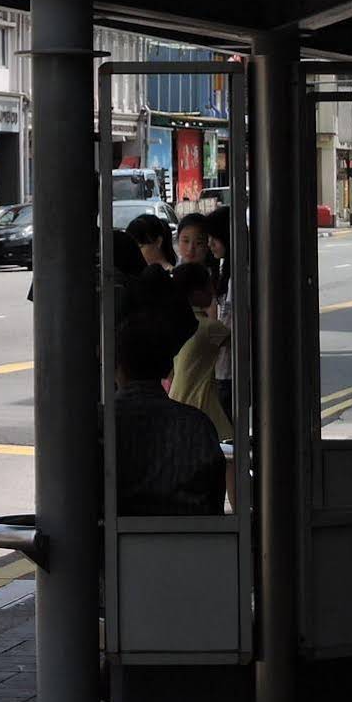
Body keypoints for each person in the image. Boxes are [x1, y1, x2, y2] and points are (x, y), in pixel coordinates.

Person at [113, 312, 225, 516]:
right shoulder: (199, 428)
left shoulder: (104, 426)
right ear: (167, 366)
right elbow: (214, 503)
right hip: (195, 536)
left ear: (115, 366)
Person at [168, 262, 232, 442]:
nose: (213, 291)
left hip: (176, 399)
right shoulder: (209, 328)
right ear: (196, 293)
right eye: (208, 286)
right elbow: (242, 343)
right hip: (202, 404)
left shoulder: (176, 324)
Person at [204, 206, 235, 417]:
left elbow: (228, 325)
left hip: (230, 369)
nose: (210, 244)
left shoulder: (238, 276)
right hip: (223, 367)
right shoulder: (224, 271)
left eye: (214, 238)